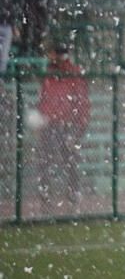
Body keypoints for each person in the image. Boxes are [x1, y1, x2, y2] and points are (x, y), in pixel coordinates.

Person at [37, 43, 90, 209]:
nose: (51, 56)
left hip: (67, 124)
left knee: (69, 160)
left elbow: (81, 101)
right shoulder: (50, 73)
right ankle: (46, 197)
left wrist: (78, 127)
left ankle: (72, 194)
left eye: (53, 53)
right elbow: (44, 99)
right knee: (46, 161)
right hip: (51, 124)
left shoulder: (72, 72)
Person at [0, 0, 15, 74]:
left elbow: (10, 4)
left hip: (6, 22)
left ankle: (1, 79)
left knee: (4, 56)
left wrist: (13, 23)